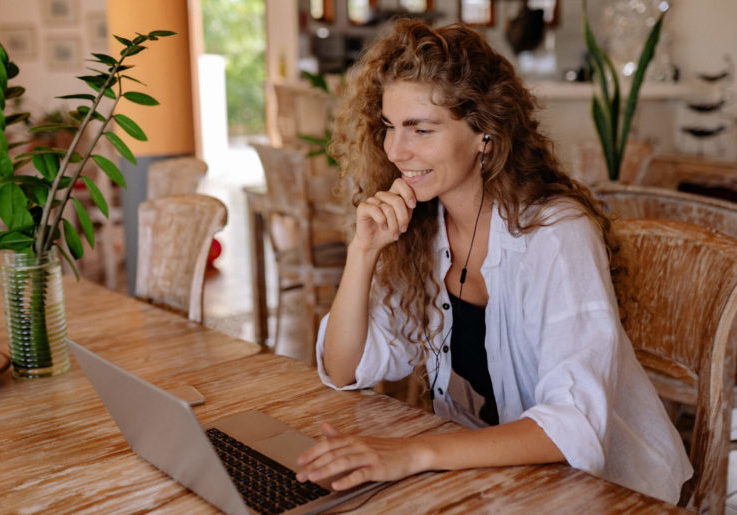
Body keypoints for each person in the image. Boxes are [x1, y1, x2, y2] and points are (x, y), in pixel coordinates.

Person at [295, 18, 692, 505]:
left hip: (610, 491)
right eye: (389, 127)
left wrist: (415, 453)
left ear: (484, 131)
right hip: (501, 482)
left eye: (421, 129)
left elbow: (573, 426)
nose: (396, 150)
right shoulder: (423, 224)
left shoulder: (555, 234)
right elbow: (343, 369)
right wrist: (363, 254)